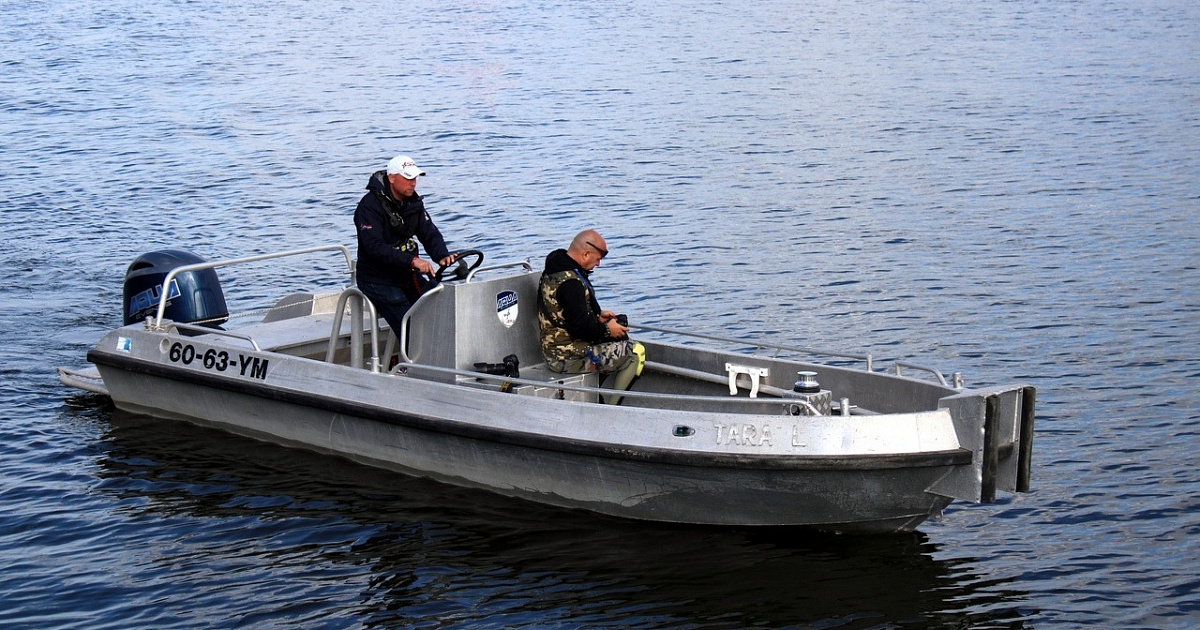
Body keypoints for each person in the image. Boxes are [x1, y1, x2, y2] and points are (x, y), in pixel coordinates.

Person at [537, 229, 645, 405]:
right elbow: (579, 328)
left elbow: (565, 313)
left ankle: (596, 395)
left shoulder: (556, 271)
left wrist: (597, 317)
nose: (599, 264)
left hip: (555, 351)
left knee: (620, 340)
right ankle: (612, 408)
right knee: (635, 352)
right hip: (566, 358)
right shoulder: (572, 283)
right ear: (586, 254)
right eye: (598, 258)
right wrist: (608, 329)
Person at [353, 155, 458, 335]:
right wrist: (412, 261)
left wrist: (441, 255)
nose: (413, 183)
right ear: (392, 178)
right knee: (412, 329)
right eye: (408, 178)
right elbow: (374, 247)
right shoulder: (368, 207)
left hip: (407, 276)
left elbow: (429, 232)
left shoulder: (413, 203)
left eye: (415, 178)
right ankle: (413, 359)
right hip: (377, 280)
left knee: (442, 308)